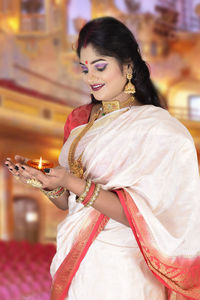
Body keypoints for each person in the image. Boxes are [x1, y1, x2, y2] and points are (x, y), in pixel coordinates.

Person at [5, 17, 200, 300]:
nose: (90, 78)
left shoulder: (157, 129)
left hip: (123, 273)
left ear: (128, 66)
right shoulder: (81, 122)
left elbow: (144, 217)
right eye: (84, 69)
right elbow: (70, 205)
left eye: (100, 66)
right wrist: (46, 182)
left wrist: (72, 182)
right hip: (80, 267)